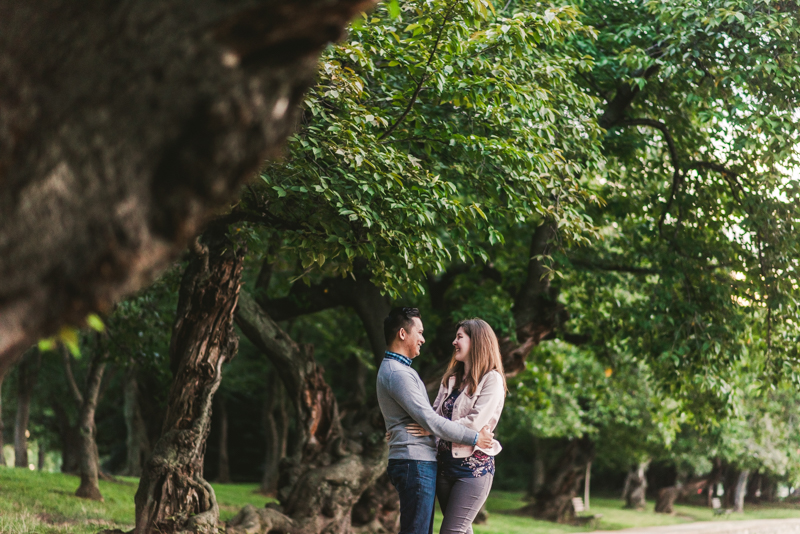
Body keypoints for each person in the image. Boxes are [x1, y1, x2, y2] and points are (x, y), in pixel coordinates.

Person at [377, 307, 494, 534]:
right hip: (415, 461)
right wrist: (475, 437)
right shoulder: (398, 373)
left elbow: (426, 418)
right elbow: (430, 419)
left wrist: (397, 427)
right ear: (403, 334)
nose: (422, 338)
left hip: (421, 461)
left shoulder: (398, 370)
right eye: (419, 332)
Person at [406, 318, 506, 534]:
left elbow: (473, 424)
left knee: (451, 532)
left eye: (460, 337)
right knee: (461, 531)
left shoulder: (492, 380)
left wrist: (433, 427)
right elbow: (432, 416)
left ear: (477, 342)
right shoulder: (451, 379)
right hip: (444, 466)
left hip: (473, 470)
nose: (454, 342)